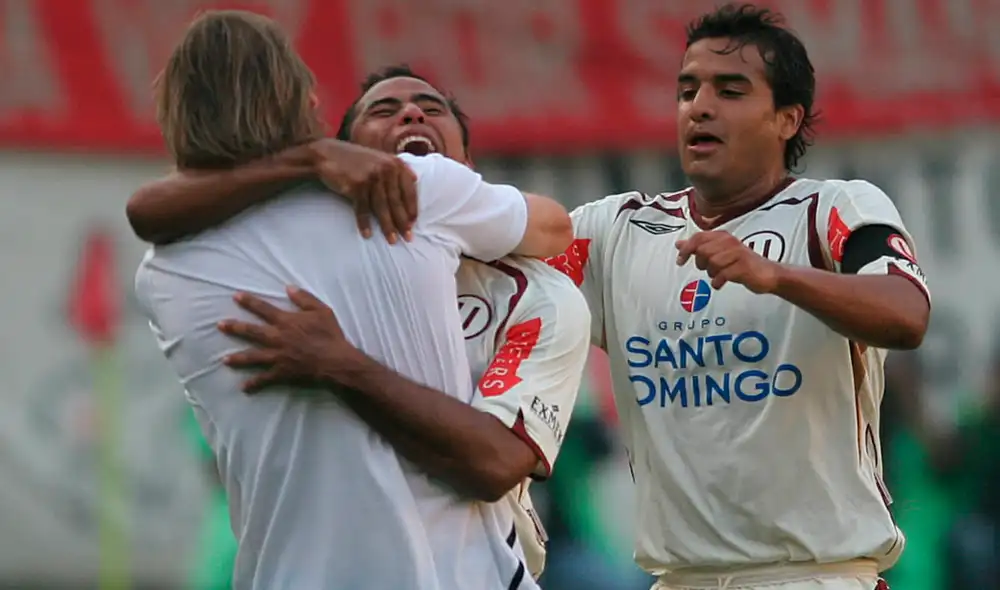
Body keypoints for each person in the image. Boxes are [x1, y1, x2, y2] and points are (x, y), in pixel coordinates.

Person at [134, 12, 574, 590]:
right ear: (311, 107)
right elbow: (553, 226)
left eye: (430, 107)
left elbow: (147, 211)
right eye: (382, 110)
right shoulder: (419, 189)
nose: (410, 116)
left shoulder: (163, 275)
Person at [554, 4, 931, 589]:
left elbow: (906, 314)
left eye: (730, 91)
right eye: (687, 91)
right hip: (679, 578)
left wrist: (776, 276)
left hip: (814, 576)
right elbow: (504, 282)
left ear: (787, 118)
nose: (699, 107)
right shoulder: (613, 232)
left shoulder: (831, 210)